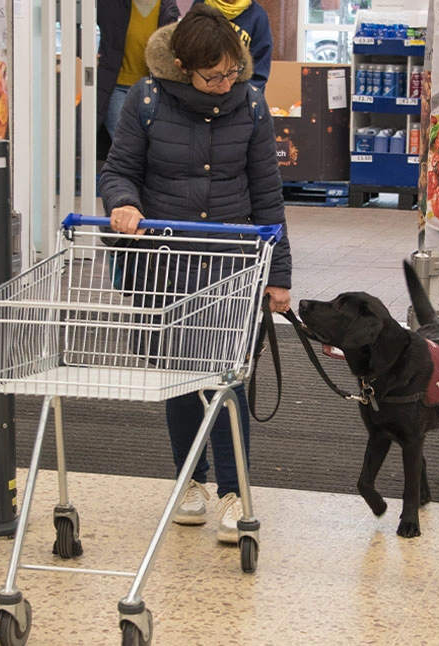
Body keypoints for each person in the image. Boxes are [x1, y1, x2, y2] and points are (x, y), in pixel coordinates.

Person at [99, 3, 291, 543]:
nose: (227, 82)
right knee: (180, 379)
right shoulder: (146, 100)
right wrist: (123, 203)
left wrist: (280, 273)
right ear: (183, 65)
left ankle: (235, 492)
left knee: (228, 378)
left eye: (234, 70)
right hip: (162, 265)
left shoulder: (251, 105)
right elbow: (119, 171)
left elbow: (268, 197)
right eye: (215, 75)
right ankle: (190, 482)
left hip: (232, 264)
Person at [97, 0, 180, 140]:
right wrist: (81, 54)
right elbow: (75, 16)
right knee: (125, 141)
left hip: (153, 89)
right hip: (117, 87)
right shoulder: (111, 4)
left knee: (152, 142)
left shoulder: (167, 8)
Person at [193, 0, 272, 90]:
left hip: (240, 95)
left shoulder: (258, 16)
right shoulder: (199, 7)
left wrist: (244, 98)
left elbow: (259, 71)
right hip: (203, 90)